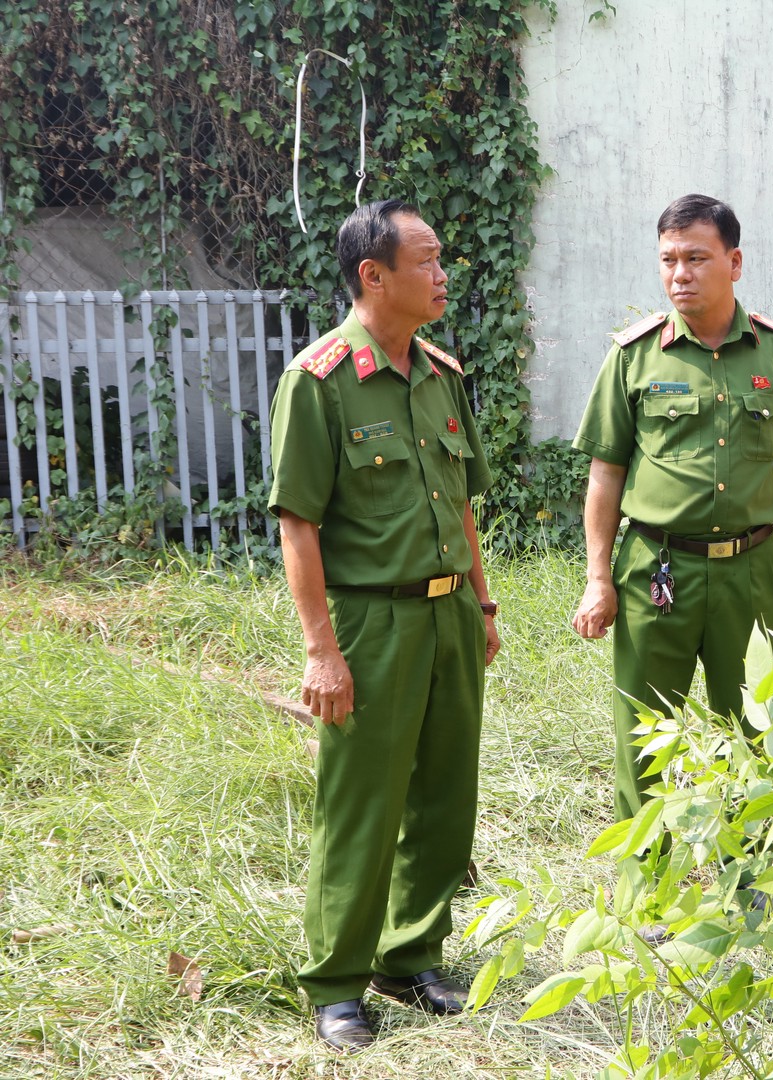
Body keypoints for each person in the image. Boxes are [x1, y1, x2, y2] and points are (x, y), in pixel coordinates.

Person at [268, 199, 500, 1053]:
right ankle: (337, 983)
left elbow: (462, 501)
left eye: (441, 259)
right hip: (372, 621)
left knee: (445, 795)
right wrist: (321, 651)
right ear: (374, 275)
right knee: (362, 803)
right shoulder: (319, 381)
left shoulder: (441, 373)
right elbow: (298, 524)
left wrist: (482, 603)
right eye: (426, 260)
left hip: (449, 614)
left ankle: (411, 958)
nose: (442, 275)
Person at [571, 193, 773, 843]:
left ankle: (753, 872)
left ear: (734, 262)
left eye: (696, 258)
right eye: (668, 260)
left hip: (750, 569)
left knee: (754, 723)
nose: (680, 274)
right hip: (656, 571)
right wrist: (598, 578)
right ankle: (647, 876)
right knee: (644, 729)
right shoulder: (634, 356)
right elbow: (605, 473)